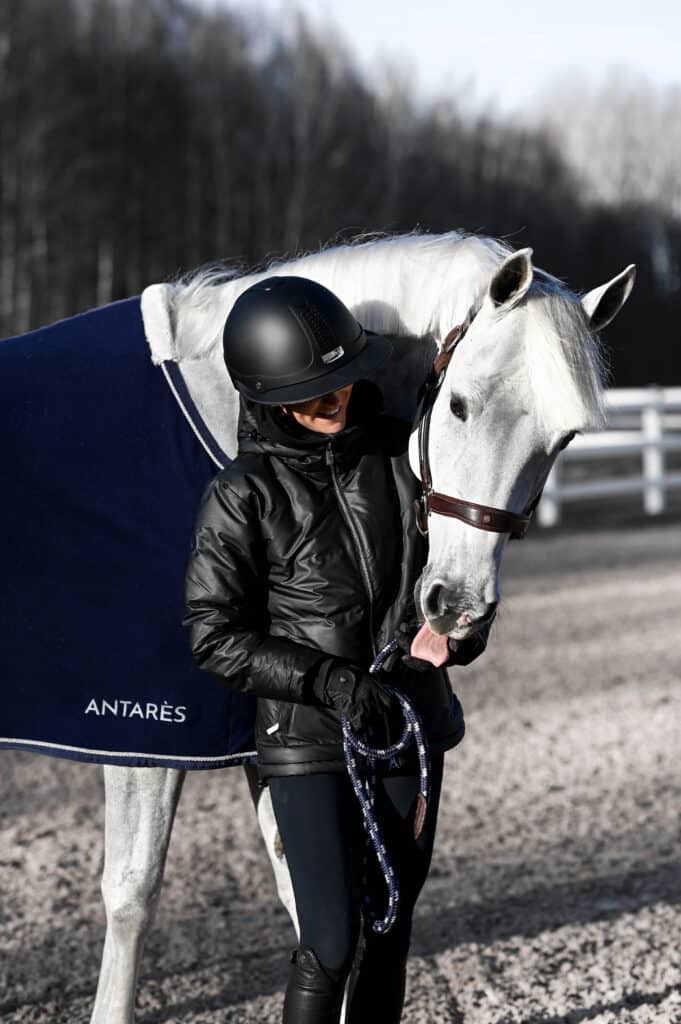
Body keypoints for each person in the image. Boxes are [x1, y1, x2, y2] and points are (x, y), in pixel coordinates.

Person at [183, 276, 488, 1024]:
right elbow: (212, 634)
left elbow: (448, 578)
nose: (332, 401)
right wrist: (326, 682)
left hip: (407, 724)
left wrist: (456, 636)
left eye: (339, 383)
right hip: (309, 741)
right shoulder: (241, 494)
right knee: (331, 937)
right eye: (309, 393)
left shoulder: (401, 460)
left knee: (390, 929)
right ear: (265, 395)